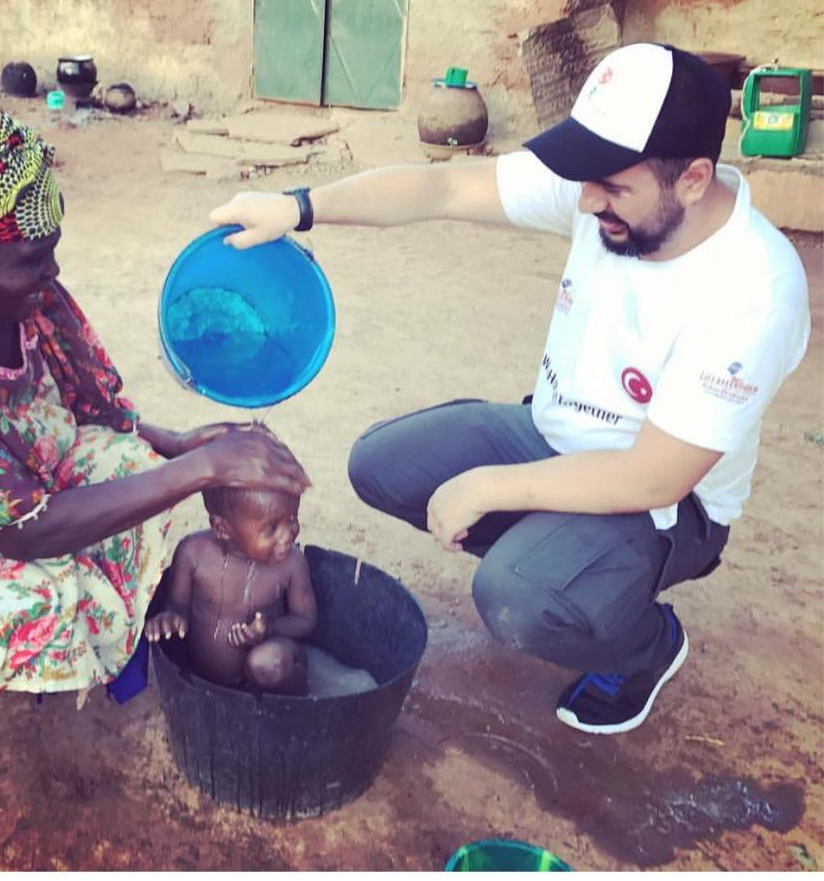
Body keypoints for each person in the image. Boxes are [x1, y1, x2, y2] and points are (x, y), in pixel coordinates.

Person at [207, 43, 811, 735]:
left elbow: (655, 476)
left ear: (695, 179)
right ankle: (562, 553)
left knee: (515, 599)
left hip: (672, 504)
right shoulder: (609, 187)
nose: (586, 203)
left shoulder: (754, 291)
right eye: (585, 181)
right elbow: (444, 187)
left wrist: (491, 487)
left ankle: (646, 642)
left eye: (611, 187)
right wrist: (298, 207)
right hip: (554, 436)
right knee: (380, 465)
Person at [0, 103, 309, 716]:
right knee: (42, 601)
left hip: (9, 483)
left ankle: (102, 611)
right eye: (33, 259)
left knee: (138, 466)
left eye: (50, 251)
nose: (53, 271)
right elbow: (25, 533)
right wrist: (205, 469)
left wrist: (177, 446)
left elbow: (85, 408)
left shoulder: (24, 297)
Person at [144, 485, 316, 694]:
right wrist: (171, 618)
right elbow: (176, 605)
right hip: (204, 681)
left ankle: (291, 711)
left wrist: (268, 630)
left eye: (292, 518)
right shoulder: (193, 554)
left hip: (272, 676)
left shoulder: (292, 563)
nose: (288, 534)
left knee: (266, 661)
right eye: (272, 528)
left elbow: (306, 621)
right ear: (222, 528)